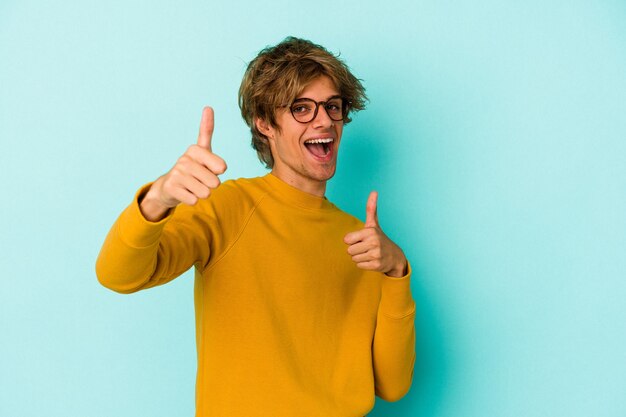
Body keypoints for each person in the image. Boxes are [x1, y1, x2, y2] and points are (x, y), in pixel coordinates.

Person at [96, 36, 416, 416]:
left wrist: (396, 271)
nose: (325, 120)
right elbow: (117, 274)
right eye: (301, 108)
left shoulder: (363, 242)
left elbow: (392, 386)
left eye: (333, 106)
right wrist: (159, 199)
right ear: (264, 123)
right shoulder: (227, 207)